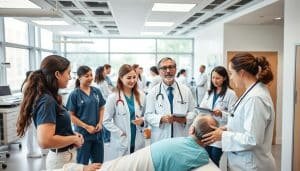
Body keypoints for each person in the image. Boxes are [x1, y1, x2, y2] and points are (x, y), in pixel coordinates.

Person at [52, 115, 219, 171]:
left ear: (191, 130)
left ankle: (73, 168)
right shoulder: (202, 156)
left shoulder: (182, 140)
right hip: (149, 161)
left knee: (110, 168)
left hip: (148, 155)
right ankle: (72, 169)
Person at [202, 52, 276, 171]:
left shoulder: (255, 98)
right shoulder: (251, 93)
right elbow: (242, 121)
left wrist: (222, 135)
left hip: (251, 165)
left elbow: (252, 140)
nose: (230, 77)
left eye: (231, 73)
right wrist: (225, 128)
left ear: (241, 73)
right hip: (243, 162)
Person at [16, 55, 84, 169]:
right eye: (68, 73)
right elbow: (45, 141)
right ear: (57, 74)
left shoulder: (51, 97)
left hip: (66, 156)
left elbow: (58, 128)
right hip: (60, 160)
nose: (70, 77)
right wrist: (74, 139)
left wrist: (71, 135)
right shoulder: (47, 100)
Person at [145, 57, 196, 143]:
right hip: (160, 138)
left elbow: (193, 112)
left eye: (171, 67)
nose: (168, 71)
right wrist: (161, 119)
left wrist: (185, 119)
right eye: (164, 68)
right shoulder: (153, 92)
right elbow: (148, 116)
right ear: (159, 71)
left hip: (181, 137)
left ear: (175, 69)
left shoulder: (186, 90)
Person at [103, 64, 146, 158]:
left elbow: (147, 115)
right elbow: (105, 121)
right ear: (121, 78)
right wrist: (119, 132)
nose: (132, 80)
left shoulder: (142, 96)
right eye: (129, 77)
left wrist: (143, 121)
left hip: (138, 138)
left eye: (134, 77)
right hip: (122, 140)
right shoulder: (113, 97)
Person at [66, 66, 105, 165]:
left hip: (97, 133)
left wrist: (100, 123)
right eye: (86, 76)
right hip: (83, 136)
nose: (90, 78)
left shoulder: (96, 91)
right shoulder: (74, 95)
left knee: (98, 164)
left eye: (91, 75)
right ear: (79, 78)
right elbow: (70, 116)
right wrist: (86, 127)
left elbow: (101, 107)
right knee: (82, 165)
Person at [199, 66, 237, 166]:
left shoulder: (231, 94)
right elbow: (202, 107)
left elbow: (234, 116)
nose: (214, 80)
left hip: (220, 131)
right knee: (206, 159)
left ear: (224, 78)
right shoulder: (209, 92)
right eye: (213, 78)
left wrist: (221, 113)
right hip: (207, 130)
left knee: (214, 159)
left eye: (218, 78)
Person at [21, 71, 43, 158]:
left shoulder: (28, 84)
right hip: (29, 111)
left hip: (30, 110)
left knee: (33, 131)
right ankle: (31, 152)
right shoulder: (27, 86)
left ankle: (36, 150)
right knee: (31, 132)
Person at [94, 66, 112, 143]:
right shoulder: (103, 82)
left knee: (103, 121)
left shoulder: (97, 82)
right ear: (102, 72)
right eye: (104, 71)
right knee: (106, 122)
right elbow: (108, 94)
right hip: (105, 103)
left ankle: (105, 138)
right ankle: (106, 139)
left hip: (100, 104)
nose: (105, 72)